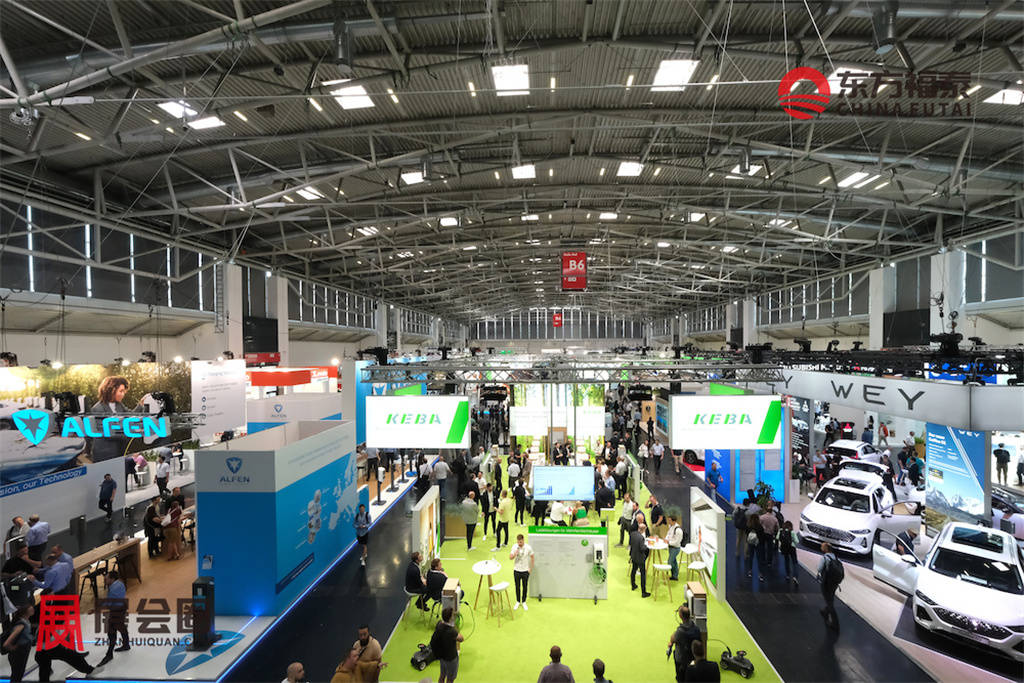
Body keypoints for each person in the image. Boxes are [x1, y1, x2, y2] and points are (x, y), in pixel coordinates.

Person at [97, 570, 129, 666]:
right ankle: (126, 645)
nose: (104, 580)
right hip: (122, 606)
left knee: (111, 632)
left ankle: (109, 654)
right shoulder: (120, 583)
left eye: (106, 579)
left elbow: (108, 604)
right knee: (121, 626)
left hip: (116, 610)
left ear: (112, 579)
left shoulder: (112, 589)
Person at [430, 607, 464, 683]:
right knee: (450, 679)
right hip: (451, 658)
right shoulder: (451, 631)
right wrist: (455, 627)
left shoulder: (439, 625)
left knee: (442, 675)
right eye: (453, 615)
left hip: (442, 657)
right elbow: (461, 639)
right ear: (450, 618)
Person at [669, 605, 701, 683]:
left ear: (680, 616)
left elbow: (672, 639)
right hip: (693, 658)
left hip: (681, 660)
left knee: (681, 678)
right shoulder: (696, 628)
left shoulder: (680, 631)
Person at [3, 605, 34, 682]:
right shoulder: (21, 624)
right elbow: (6, 643)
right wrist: (14, 648)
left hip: (22, 653)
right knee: (17, 676)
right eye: (30, 608)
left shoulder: (26, 621)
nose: (33, 609)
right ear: (25, 612)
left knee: (18, 675)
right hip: (18, 654)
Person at [816, 542, 843, 630]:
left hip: (826, 582)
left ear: (825, 549)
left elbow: (819, 568)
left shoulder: (825, 558)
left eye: (822, 546)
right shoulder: (836, 558)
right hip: (835, 583)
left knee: (829, 601)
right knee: (830, 598)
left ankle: (835, 624)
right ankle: (825, 611)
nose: (821, 547)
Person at [510, 533, 534, 610]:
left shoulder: (528, 547)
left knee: (525, 586)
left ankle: (524, 601)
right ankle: (518, 601)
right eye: (518, 542)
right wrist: (515, 554)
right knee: (517, 586)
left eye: (520, 542)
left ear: (523, 540)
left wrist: (530, 568)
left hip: (525, 571)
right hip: (516, 570)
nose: (519, 543)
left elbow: (532, 557)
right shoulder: (514, 547)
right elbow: (510, 557)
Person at [629, 522, 651, 597]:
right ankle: (643, 592)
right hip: (640, 558)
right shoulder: (641, 538)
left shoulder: (633, 534)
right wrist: (647, 546)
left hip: (633, 555)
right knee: (643, 574)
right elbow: (642, 548)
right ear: (644, 530)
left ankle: (633, 585)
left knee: (633, 570)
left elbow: (631, 543)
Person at [778, 520, 799, 586]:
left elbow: (777, 538)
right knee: (794, 562)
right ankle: (795, 576)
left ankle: (788, 575)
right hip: (792, 547)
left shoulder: (781, 531)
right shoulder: (792, 532)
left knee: (786, 561)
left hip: (784, 548)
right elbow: (797, 541)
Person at [666, 514, 684, 581]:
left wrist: (669, 542)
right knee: (674, 562)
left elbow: (677, 541)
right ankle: (674, 576)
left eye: (670, 520)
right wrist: (666, 539)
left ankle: (674, 575)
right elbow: (668, 534)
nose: (669, 522)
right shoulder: (671, 526)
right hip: (671, 547)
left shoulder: (678, 530)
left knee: (670, 561)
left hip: (675, 548)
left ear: (674, 521)